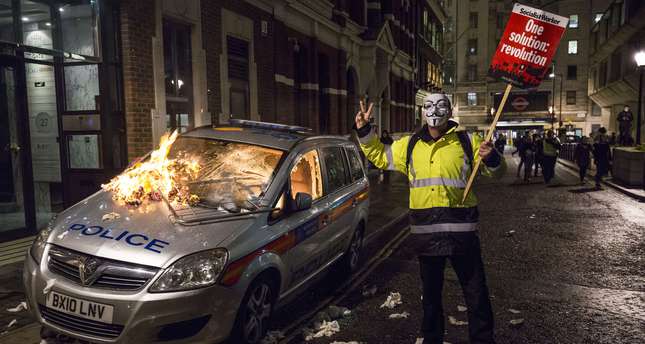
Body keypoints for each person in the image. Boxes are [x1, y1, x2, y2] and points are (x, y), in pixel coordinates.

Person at [354, 94, 505, 344]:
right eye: (429, 106)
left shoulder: (468, 141)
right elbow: (380, 156)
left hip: (462, 235)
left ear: (450, 110)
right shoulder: (409, 145)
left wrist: (491, 157)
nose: (435, 110)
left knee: (476, 294)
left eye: (441, 105)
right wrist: (364, 131)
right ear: (423, 111)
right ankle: (432, 338)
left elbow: (497, 174)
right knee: (431, 298)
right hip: (427, 235)